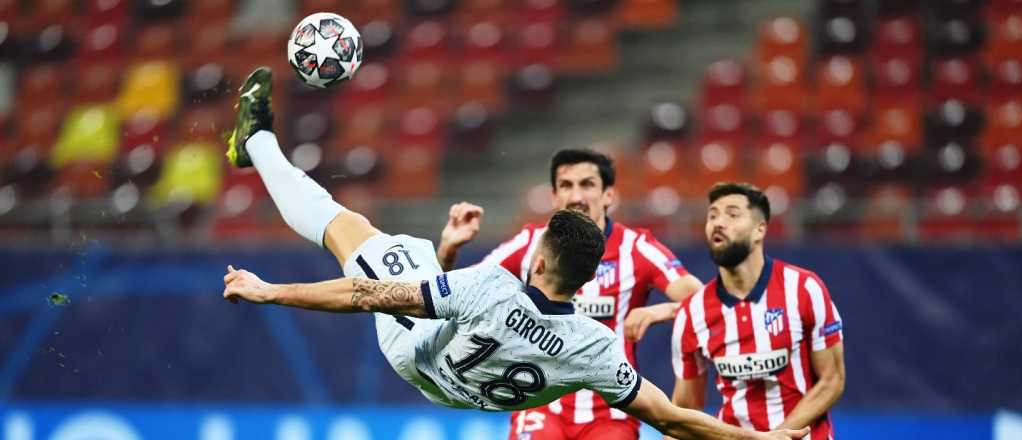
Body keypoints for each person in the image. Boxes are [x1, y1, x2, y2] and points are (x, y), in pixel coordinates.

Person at [220, 67, 808, 440]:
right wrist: (757, 439)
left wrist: (270, 291)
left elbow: (365, 293)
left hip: (417, 356)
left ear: (540, 261)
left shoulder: (493, 286)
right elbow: (673, 419)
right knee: (416, 253)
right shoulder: (593, 344)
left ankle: (259, 144)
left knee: (352, 232)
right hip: (474, 397)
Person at [436, 148, 704, 440]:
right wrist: (448, 250)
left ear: (608, 195)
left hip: (610, 411)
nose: (576, 196)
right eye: (566, 185)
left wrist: (659, 311)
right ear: (554, 196)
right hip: (538, 403)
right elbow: (458, 293)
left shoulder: (636, 247)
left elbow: (706, 305)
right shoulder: (530, 244)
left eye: (587, 184)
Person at [670, 183, 846, 439]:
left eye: (732, 214)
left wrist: (776, 436)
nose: (719, 222)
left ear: (759, 230)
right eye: (712, 215)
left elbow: (832, 380)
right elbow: (686, 409)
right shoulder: (691, 313)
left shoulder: (804, 289)